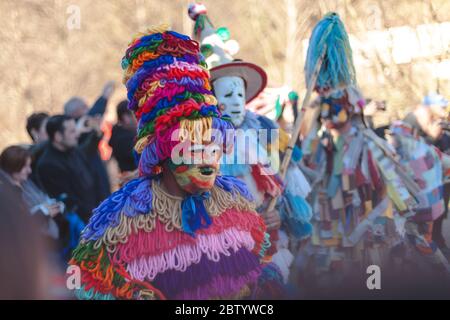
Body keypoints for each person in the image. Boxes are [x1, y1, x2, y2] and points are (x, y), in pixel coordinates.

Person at [69, 25, 283, 300]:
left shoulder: (234, 201)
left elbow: (259, 264)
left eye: (213, 148)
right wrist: (131, 292)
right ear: (164, 154)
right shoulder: (123, 216)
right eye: (192, 149)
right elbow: (85, 279)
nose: (208, 161)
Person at [188, 3, 312, 289]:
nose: (234, 101)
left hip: (271, 246)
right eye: (226, 94)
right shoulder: (197, 140)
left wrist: (278, 213)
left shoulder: (265, 131)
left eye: (239, 93)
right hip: (222, 253)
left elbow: (283, 183)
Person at [36, 115, 99, 224]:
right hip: (81, 225)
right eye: (72, 132)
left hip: (95, 214)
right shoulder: (48, 165)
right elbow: (67, 201)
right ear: (58, 136)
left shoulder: (74, 151)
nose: (77, 134)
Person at [63, 81, 116, 200]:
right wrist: (104, 96)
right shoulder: (77, 126)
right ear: (75, 112)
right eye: (84, 107)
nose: (87, 109)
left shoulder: (83, 125)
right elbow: (93, 113)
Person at [109, 100, 137, 174]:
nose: (137, 116)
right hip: (133, 181)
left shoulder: (119, 134)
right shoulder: (122, 139)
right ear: (125, 118)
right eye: (134, 113)